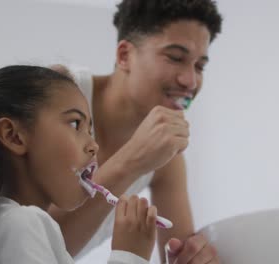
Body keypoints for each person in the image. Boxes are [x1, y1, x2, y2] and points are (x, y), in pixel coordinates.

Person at [49, 0, 223, 263]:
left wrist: (194, 257)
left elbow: (177, 254)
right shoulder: (58, 91)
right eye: (175, 58)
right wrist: (132, 159)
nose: (190, 81)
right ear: (124, 55)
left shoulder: (168, 158)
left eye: (199, 66)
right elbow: (30, 242)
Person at [0, 65, 160, 264]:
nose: (93, 146)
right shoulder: (21, 224)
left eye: (90, 130)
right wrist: (130, 255)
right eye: (74, 124)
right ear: (14, 136)